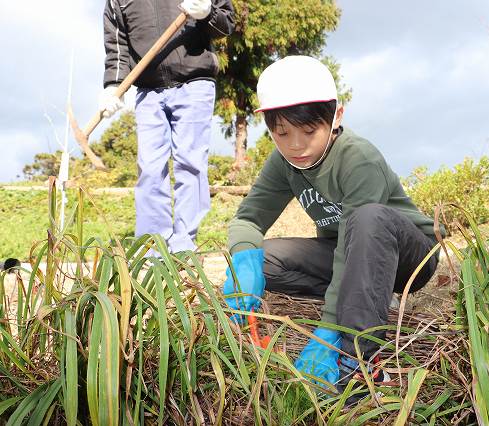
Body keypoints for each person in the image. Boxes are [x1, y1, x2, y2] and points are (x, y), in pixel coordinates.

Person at [222, 56, 442, 399]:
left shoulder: (358, 159)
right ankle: (362, 298)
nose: (296, 145)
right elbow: (249, 218)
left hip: (408, 258)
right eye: (282, 133)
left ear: (336, 116)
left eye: (309, 131)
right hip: (349, 256)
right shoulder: (284, 162)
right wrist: (243, 263)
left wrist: (329, 330)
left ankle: (358, 360)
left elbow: (354, 246)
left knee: (369, 218)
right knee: (266, 259)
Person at [100, 0, 234, 254]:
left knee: (191, 165)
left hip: (195, 83)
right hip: (148, 90)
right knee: (149, 168)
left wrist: (208, 13)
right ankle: (154, 250)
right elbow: (117, 46)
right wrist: (113, 86)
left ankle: (184, 248)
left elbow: (226, 24)